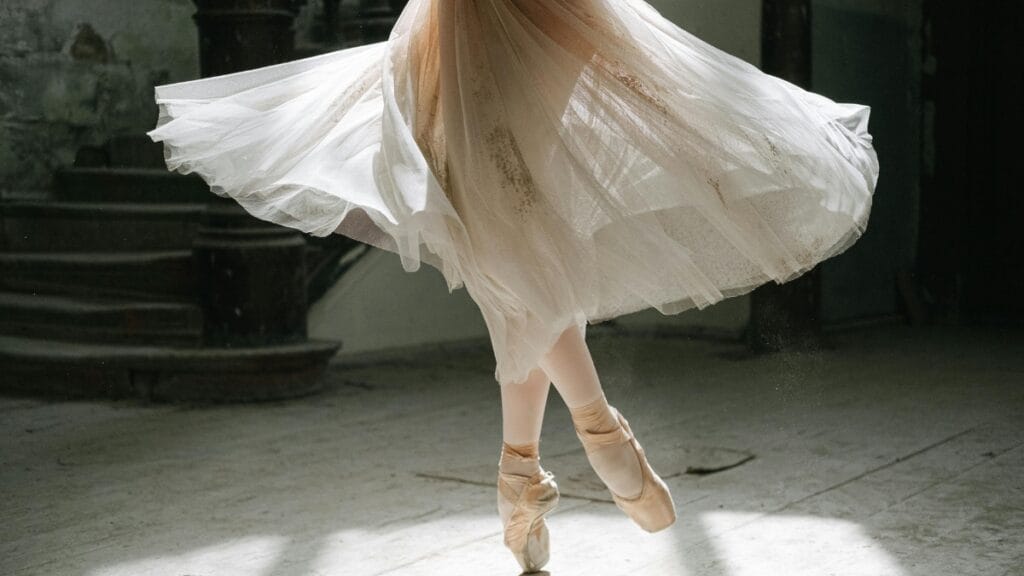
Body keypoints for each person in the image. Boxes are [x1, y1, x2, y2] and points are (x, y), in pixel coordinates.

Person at [147, 0, 879, 571]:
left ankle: (531, 469)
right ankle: (573, 444)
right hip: (460, 19)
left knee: (517, 240)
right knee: (513, 237)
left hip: (534, 15)